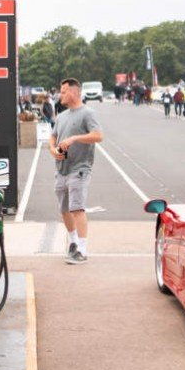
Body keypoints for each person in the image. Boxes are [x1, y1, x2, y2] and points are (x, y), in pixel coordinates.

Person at [48, 77, 104, 264]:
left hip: (80, 168)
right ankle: (73, 242)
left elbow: (98, 136)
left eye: (63, 92)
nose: (60, 95)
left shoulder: (88, 113)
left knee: (77, 208)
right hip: (61, 169)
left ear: (73, 92)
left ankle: (82, 249)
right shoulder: (62, 116)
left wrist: (74, 139)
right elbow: (52, 137)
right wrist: (53, 150)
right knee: (64, 209)